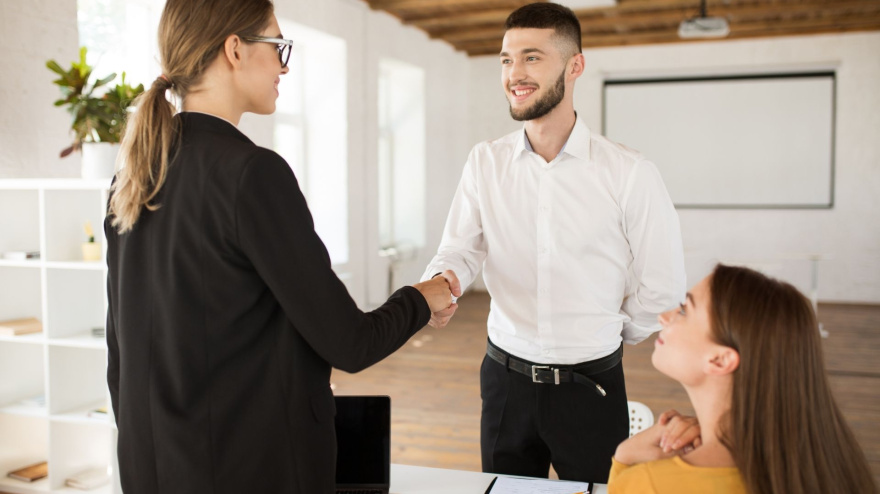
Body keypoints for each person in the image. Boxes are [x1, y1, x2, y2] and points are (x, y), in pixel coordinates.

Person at [103, 1, 452, 493]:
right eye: (277, 47)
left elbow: (121, 354)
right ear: (235, 49)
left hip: (154, 471)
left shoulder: (135, 173)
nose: (284, 65)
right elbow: (349, 343)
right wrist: (423, 297)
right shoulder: (252, 174)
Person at [421, 2, 686, 484]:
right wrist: (446, 281)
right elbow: (460, 249)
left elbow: (663, 287)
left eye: (532, 57)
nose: (514, 73)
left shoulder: (629, 173)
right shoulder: (485, 162)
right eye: (505, 59)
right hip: (503, 382)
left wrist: (606, 333)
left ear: (575, 65)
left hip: (592, 387)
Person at [609, 264, 876, 493]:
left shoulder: (651, 483)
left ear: (720, 360)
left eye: (683, 311)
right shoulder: (834, 467)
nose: (663, 318)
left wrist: (624, 460)